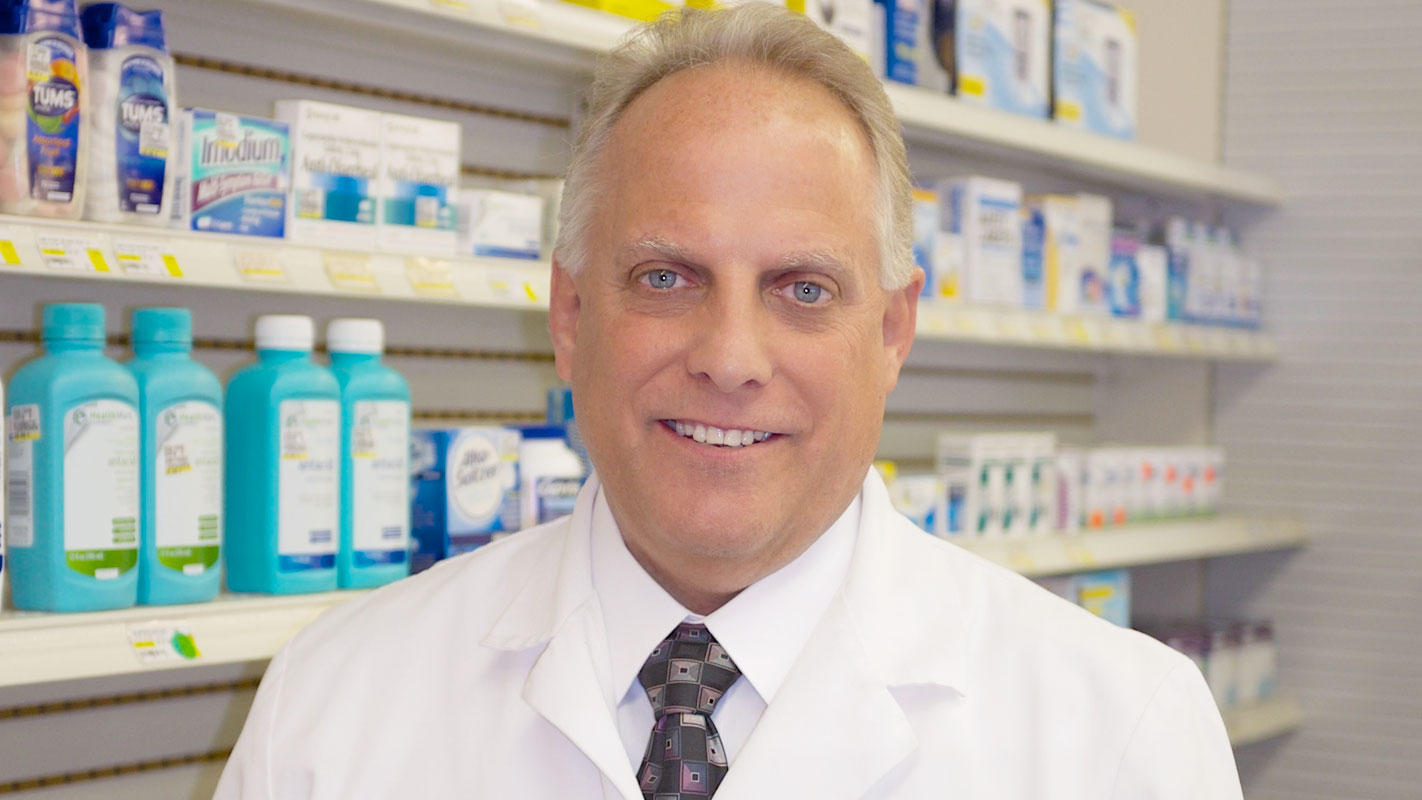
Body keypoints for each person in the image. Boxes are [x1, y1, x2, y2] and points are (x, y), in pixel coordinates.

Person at [215, 5, 1243, 798]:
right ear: (569, 314)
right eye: (667, 276)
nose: (731, 357)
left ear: (891, 331)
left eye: (804, 289)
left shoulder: (1121, 732)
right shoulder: (330, 706)